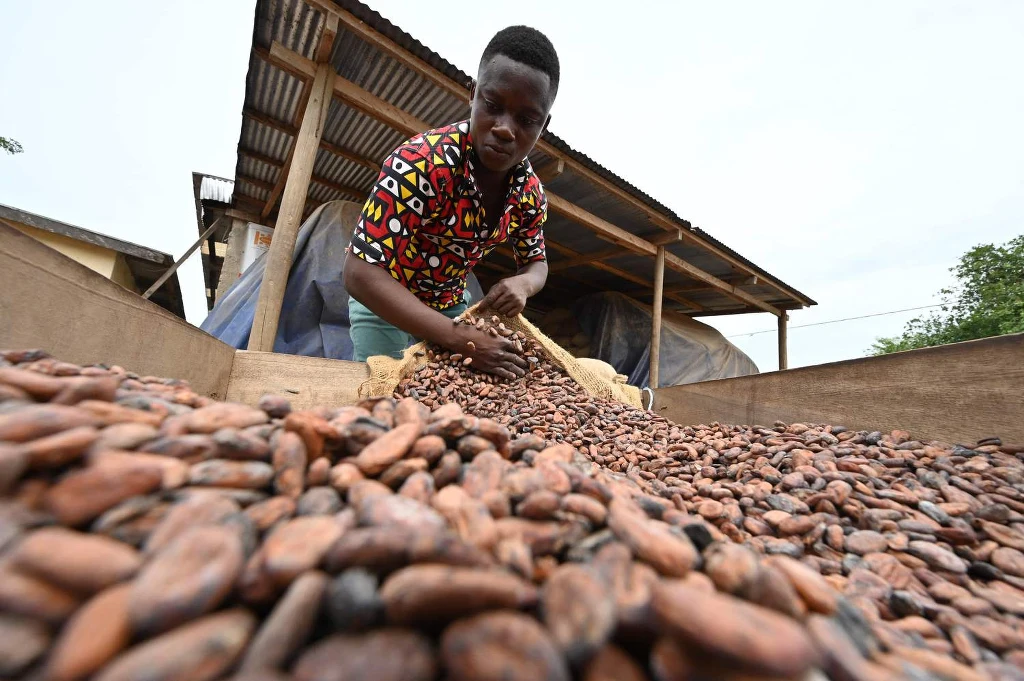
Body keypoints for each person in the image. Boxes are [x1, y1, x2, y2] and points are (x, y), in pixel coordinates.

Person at [344, 25, 559, 380]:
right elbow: (359, 273)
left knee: (461, 404)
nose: (505, 128)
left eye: (526, 119)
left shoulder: (528, 194)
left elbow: (536, 263)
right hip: (386, 301)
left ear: (543, 125)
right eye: (493, 106)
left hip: (449, 306)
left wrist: (523, 284)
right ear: (472, 95)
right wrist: (463, 340)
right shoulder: (420, 163)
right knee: (387, 397)